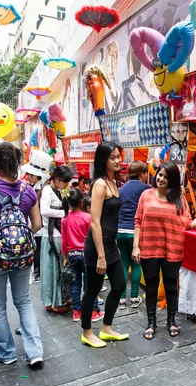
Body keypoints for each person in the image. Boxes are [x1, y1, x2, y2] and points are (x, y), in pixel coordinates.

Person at [0, 142, 45, 369]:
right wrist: (19, 240)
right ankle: (35, 353)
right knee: (23, 301)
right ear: (18, 164)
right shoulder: (28, 190)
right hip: (23, 257)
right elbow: (37, 224)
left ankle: (6, 353)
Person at [133, 162, 196, 340]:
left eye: (165, 176)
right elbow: (138, 221)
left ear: (172, 180)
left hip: (172, 249)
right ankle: (151, 323)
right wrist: (136, 246)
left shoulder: (179, 199)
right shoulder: (146, 195)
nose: (160, 178)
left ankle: (171, 321)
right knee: (151, 287)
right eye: (159, 174)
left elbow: (188, 223)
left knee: (171, 287)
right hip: (149, 248)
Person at [80, 142, 129, 348]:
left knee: (119, 285)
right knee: (93, 290)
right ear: (103, 160)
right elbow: (95, 222)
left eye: (118, 156)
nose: (118, 160)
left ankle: (106, 327)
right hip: (97, 247)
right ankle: (87, 332)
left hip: (111, 245)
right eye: (113, 157)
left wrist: (113, 245)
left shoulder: (113, 182)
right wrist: (101, 255)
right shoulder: (100, 184)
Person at [61, 188, 104, 323]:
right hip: (86, 254)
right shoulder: (87, 217)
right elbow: (92, 237)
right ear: (82, 202)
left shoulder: (65, 219)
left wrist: (65, 258)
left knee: (75, 283)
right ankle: (94, 311)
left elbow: (64, 240)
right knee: (90, 284)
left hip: (72, 255)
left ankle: (77, 311)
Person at [39, 165, 73, 313]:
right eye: (65, 181)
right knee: (53, 270)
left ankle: (58, 299)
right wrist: (65, 214)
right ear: (57, 179)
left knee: (58, 269)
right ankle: (53, 302)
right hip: (51, 236)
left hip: (56, 234)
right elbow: (44, 211)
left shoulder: (56, 191)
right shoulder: (47, 191)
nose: (66, 185)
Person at [117, 161, 149, 310]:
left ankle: (122, 299)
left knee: (123, 263)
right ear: (142, 174)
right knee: (136, 263)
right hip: (135, 231)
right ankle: (134, 297)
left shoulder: (121, 189)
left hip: (120, 231)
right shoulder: (146, 190)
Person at [21, 150, 53, 282]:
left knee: (38, 250)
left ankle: (38, 272)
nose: (27, 177)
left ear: (35, 176)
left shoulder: (39, 190)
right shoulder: (39, 188)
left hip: (39, 226)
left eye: (29, 175)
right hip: (39, 226)